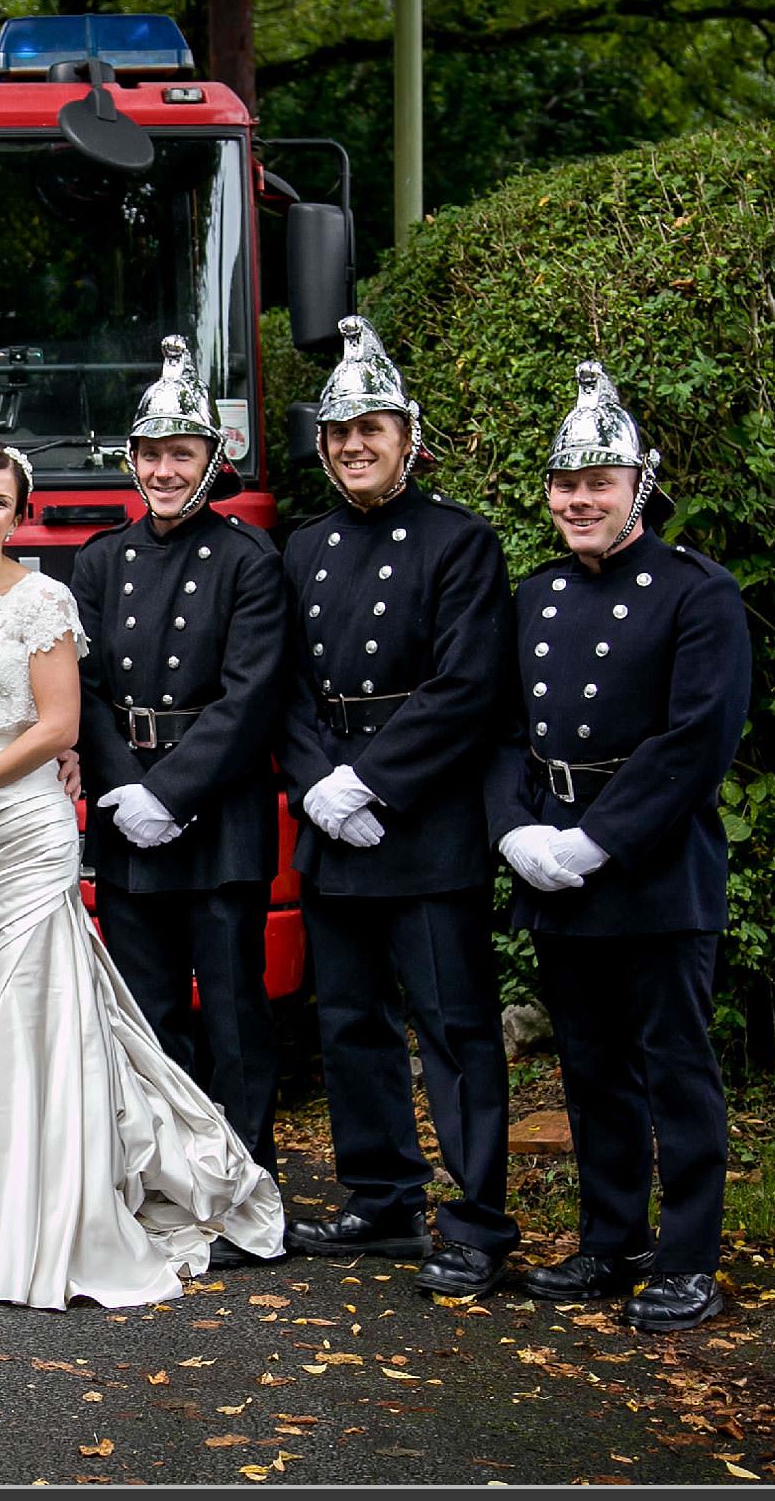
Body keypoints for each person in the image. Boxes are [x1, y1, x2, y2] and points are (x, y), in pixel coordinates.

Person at [0, 443, 287, 1309]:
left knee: (38, 1016)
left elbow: (62, 719)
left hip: (20, 827)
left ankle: (45, 1215)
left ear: (18, 513)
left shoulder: (46, 595)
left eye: (0, 500)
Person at [486, 362, 750, 1333]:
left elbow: (696, 742)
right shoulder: (537, 594)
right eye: (566, 484)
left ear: (641, 485)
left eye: (600, 482)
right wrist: (517, 828)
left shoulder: (698, 593)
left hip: (655, 869)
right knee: (592, 1068)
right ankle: (612, 1239)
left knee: (674, 1064)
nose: (580, 499)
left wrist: (597, 839)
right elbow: (504, 728)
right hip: (554, 865)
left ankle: (688, 1257)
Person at [274, 316, 521, 1300]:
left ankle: (476, 1219)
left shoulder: (461, 542)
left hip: (423, 825)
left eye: (371, 429)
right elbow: (282, 686)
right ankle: (381, 1197)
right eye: (338, 435)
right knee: (350, 1024)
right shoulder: (304, 547)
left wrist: (370, 781)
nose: (353, 447)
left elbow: (468, 685)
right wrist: (318, 784)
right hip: (333, 823)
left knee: (453, 1032)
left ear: (407, 438)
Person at [67, 338, 292, 1265]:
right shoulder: (99, 558)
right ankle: (168, 1185)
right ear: (134, 462)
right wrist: (126, 786)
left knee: (235, 1015)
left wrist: (174, 792)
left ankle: (244, 1193)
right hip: (129, 819)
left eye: (182, 456)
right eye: (151, 456)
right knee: (149, 1019)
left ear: (211, 462)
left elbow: (251, 695)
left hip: (218, 818)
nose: (165, 471)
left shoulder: (249, 561)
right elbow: (77, 686)